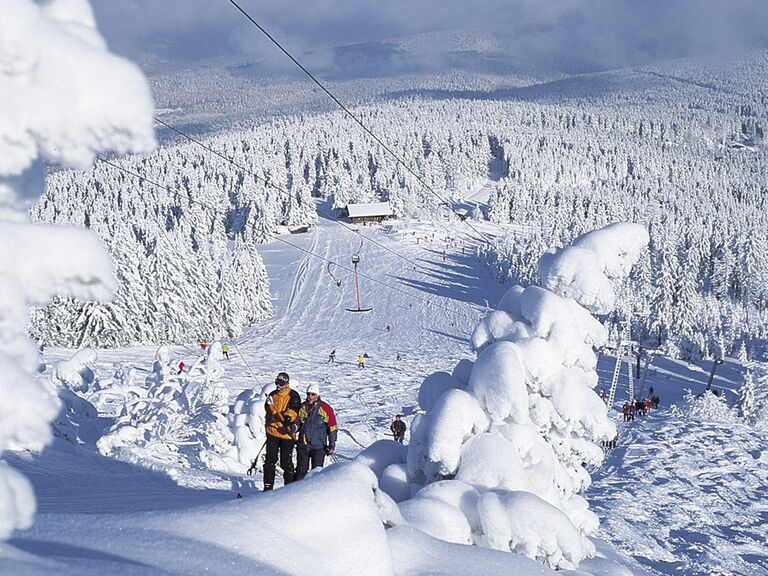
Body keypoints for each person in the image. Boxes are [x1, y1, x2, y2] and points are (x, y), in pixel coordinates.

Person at [262, 371, 301, 491]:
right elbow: (268, 411)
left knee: (286, 462)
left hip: (286, 434)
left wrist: (288, 418)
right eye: (277, 383)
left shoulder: (293, 396)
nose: (279, 386)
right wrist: (269, 406)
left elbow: (294, 410)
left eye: (281, 383)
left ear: (287, 384)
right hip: (273, 432)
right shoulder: (272, 395)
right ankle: (268, 488)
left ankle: (289, 488)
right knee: (270, 461)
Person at [295, 383, 338, 481]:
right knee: (301, 472)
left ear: (317, 395)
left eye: (313, 394)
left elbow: (332, 427)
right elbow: (297, 422)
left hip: (318, 447)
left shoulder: (325, 408)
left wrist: (332, 444)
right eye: (308, 394)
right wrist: (294, 427)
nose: (310, 396)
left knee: (316, 474)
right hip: (303, 445)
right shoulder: (302, 407)